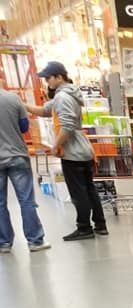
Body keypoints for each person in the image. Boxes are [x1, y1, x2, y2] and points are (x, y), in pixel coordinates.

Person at [26, 61, 107, 241]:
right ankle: (100, 224)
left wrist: (56, 145)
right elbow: (46, 110)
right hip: (84, 149)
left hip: (73, 152)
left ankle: (84, 228)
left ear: (59, 77)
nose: (47, 82)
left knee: (79, 192)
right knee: (90, 189)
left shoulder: (62, 97)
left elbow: (68, 126)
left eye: (48, 78)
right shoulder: (67, 95)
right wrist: (24, 106)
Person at [0, 88, 48, 253]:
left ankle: (4, 243)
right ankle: (35, 241)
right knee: (26, 201)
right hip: (17, 156)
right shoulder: (13, 99)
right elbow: (24, 126)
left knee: (0, 204)